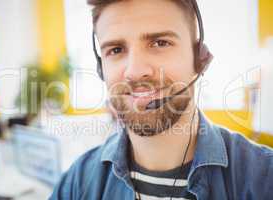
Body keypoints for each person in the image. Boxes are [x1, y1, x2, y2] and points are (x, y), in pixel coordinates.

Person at [50, 0, 273, 199]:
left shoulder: (264, 178)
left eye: (160, 43)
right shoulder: (77, 182)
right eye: (116, 49)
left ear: (199, 58)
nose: (135, 72)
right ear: (101, 68)